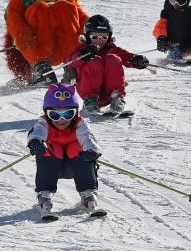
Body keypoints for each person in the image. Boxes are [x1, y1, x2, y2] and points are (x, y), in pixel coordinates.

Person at [27, 83, 103, 217]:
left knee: (78, 147)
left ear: (75, 112)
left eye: (68, 114)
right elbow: (36, 133)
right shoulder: (44, 123)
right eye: (55, 115)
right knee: (49, 148)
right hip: (52, 164)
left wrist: (92, 150)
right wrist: (35, 142)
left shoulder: (80, 123)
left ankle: (88, 195)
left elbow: (87, 137)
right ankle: (44, 197)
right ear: (46, 112)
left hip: (75, 164)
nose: (61, 120)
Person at [66, 15, 149, 115]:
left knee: (113, 58)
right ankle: (90, 103)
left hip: (110, 92)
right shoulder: (83, 49)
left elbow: (126, 56)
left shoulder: (112, 49)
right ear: (87, 36)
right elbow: (71, 61)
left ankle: (117, 99)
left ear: (109, 37)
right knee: (94, 61)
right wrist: (82, 55)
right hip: (89, 92)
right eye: (95, 37)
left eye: (104, 37)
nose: (99, 40)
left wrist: (136, 60)